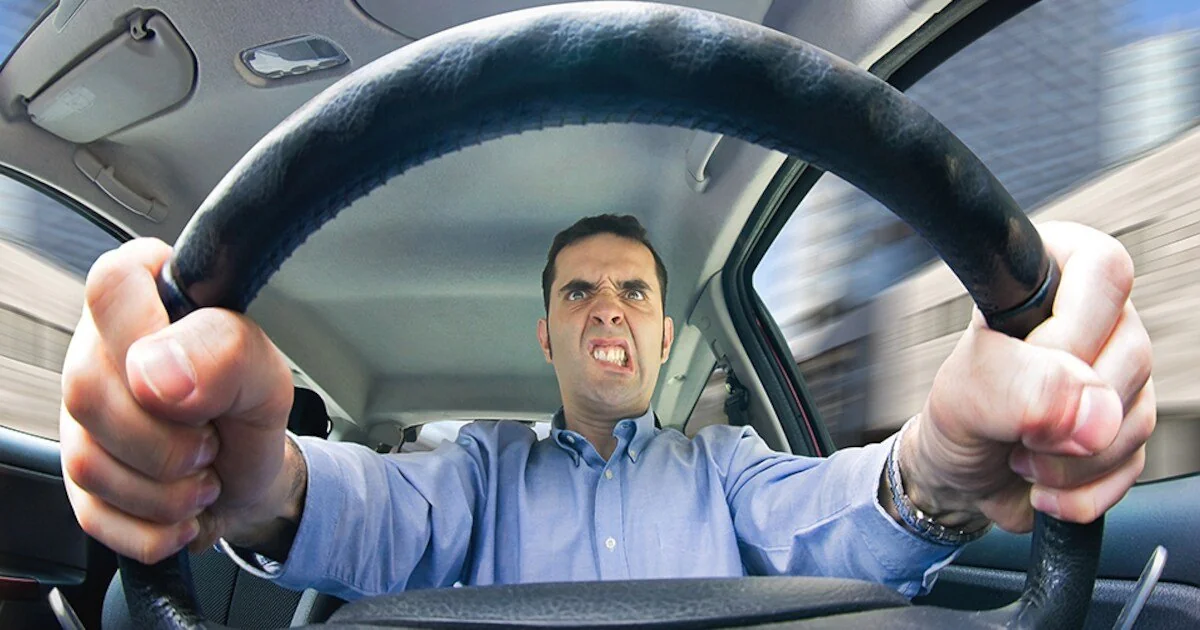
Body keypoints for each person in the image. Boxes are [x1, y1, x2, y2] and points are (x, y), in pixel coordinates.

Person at [60, 214, 1154, 600]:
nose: (607, 309)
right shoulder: (477, 468)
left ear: (665, 334)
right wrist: (264, 492)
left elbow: (836, 506)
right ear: (550, 336)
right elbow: (381, 506)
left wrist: (940, 466)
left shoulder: (726, 468)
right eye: (577, 291)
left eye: (634, 288)